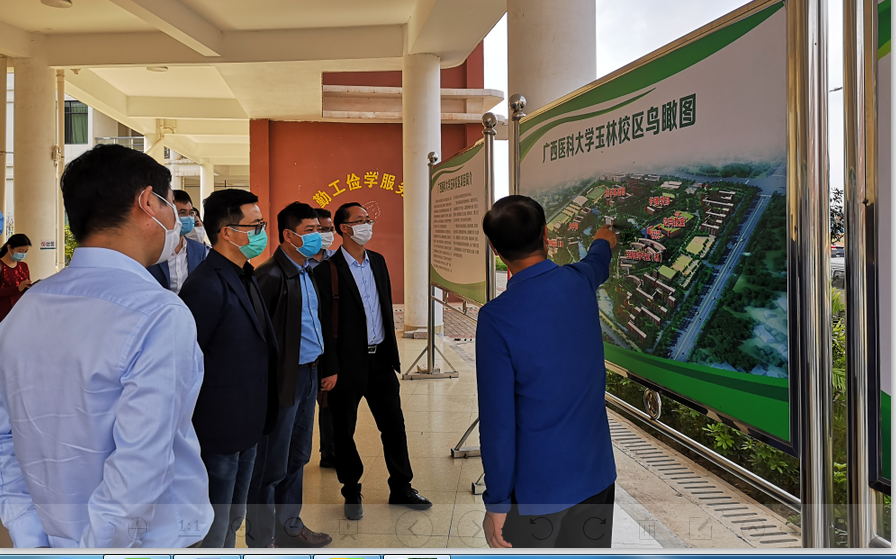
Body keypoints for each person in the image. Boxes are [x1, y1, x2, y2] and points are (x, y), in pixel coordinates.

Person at [0, 144, 213, 547]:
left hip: (49, 537)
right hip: (145, 542)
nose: (176, 219)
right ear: (147, 202)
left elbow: (3, 438)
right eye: (170, 204)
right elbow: (141, 463)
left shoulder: (25, 311)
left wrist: (30, 533)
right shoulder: (159, 314)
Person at [476, 195, 618, 548]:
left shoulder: (496, 318)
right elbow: (598, 260)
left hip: (537, 489)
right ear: (546, 234)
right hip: (596, 475)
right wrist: (604, 238)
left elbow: (498, 422)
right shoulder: (578, 281)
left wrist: (497, 502)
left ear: (494, 249)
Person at [313, 202, 431, 521]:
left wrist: (392, 356)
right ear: (344, 228)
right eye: (360, 220)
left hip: (380, 361)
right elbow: (324, 323)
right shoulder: (327, 271)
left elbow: (383, 309)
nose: (368, 225)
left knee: (394, 426)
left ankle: (401, 486)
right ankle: (351, 489)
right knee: (344, 430)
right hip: (346, 365)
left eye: (369, 219)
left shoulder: (377, 261)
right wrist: (329, 368)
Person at [179, 188, 279, 548]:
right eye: (255, 226)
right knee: (214, 521)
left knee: (234, 515)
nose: (262, 233)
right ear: (227, 232)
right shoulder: (205, 284)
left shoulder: (245, 274)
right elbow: (188, 363)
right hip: (218, 430)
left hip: (248, 423)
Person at [247, 202, 333, 547]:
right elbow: (258, 339)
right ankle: (262, 538)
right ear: (288, 235)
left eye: (318, 230)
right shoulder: (269, 277)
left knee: (298, 455)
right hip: (283, 380)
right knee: (271, 462)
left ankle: (290, 527)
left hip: (309, 375)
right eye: (309, 231)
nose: (317, 237)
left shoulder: (308, 271)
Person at [308, 207, 338, 469]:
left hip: (331, 341)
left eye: (329, 229)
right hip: (307, 345)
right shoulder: (300, 264)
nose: (326, 234)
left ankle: (330, 452)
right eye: (321, 230)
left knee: (330, 402)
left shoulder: (336, 264)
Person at [147, 190, 210, 293]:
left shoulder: (200, 251)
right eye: (182, 213)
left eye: (191, 213)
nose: (188, 218)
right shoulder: (153, 250)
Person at [0, 234, 32, 322]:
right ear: (9, 248)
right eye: (20, 251)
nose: (23, 254)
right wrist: (17, 288)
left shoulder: (23, 266)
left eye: (25, 251)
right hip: (3, 314)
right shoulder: (1, 266)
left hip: (19, 312)